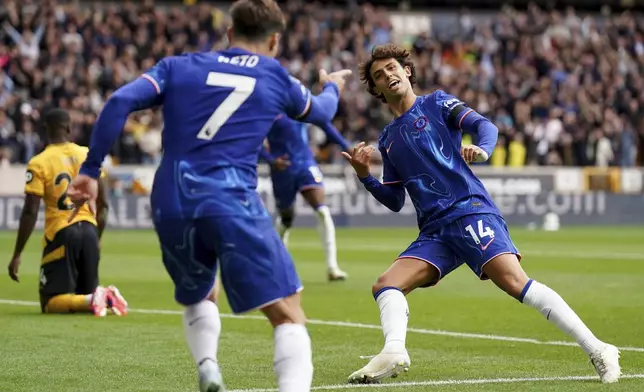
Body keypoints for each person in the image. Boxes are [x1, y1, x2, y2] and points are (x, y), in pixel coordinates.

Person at [65, 0, 352, 390]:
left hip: (171, 199)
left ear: (229, 34)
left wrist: (89, 170)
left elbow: (119, 102)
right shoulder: (275, 75)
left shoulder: (177, 66)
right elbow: (321, 111)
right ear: (274, 40)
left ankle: (208, 365)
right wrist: (332, 84)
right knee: (288, 312)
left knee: (200, 290)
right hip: (230, 195)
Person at [342, 44, 621, 385]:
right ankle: (394, 351)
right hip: (435, 230)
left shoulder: (438, 103)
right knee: (385, 285)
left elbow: (485, 126)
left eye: (392, 68)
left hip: (469, 211)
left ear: (407, 71)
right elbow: (394, 200)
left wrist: (483, 149)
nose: (388, 75)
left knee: (516, 283)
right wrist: (365, 176)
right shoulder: (387, 139)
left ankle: (599, 348)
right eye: (379, 75)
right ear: (377, 90)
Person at [7, 108, 128, 318]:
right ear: (69, 128)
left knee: (50, 302)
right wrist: (97, 238)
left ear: (46, 130)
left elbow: (30, 211)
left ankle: (100, 297)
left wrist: (17, 254)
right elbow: (104, 204)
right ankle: (103, 297)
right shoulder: (87, 155)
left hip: (62, 233)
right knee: (86, 300)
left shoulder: (39, 162)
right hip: (89, 230)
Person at [260, 116, 350, 281]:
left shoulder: (300, 102)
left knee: (322, 211)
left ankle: (332, 267)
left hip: (306, 165)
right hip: (282, 169)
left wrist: (347, 147)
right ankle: (278, 260)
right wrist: (271, 159)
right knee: (287, 217)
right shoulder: (269, 105)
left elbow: (324, 122)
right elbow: (253, 138)